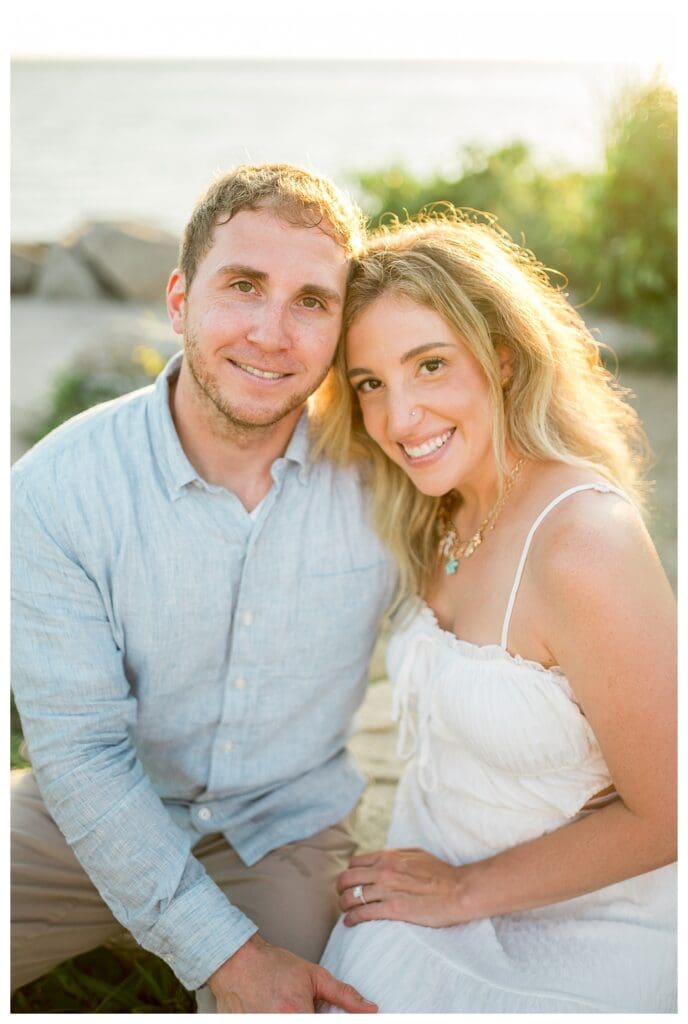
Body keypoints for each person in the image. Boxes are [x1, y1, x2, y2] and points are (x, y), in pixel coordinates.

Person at [11, 163, 397, 1013]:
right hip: (87, 816)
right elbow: (79, 756)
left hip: (283, 830)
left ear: (339, 330)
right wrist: (226, 955)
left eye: (311, 302)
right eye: (245, 286)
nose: (271, 331)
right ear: (179, 299)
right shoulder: (53, 490)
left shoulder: (387, 480)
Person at [315, 210, 677, 1013]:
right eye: (371, 383)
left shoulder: (583, 543)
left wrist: (463, 892)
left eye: (431, 365)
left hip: (590, 926)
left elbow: (672, 813)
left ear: (504, 358)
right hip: (435, 891)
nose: (399, 420)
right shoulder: (431, 509)